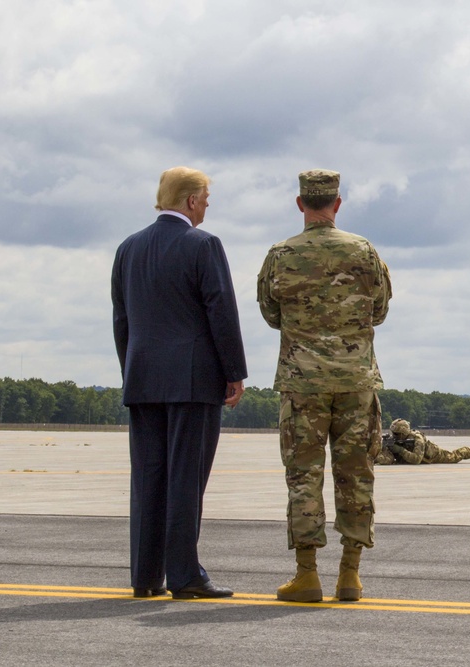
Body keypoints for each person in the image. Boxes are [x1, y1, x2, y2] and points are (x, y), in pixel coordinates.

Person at [111, 166, 248, 600]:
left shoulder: (127, 248)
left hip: (143, 377)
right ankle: (185, 575)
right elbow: (220, 310)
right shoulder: (203, 244)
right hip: (193, 380)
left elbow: (122, 321)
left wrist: (132, 369)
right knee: (185, 479)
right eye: (206, 197)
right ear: (190, 200)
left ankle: (145, 575)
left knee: (148, 479)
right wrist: (234, 372)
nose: (208, 204)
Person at [257, 169, 391, 603]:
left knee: (303, 478)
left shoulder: (281, 255)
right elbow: (381, 309)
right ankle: (350, 576)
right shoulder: (364, 252)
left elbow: (271, 314)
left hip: (303, 385)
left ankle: (307, 575)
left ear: (300, 204)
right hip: (355, 382)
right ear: (337, 203)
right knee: (356, 476)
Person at [377, 419, 470, 465]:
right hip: (422, 459)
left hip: (434, 455)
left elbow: (416, 460)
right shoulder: (395, 440)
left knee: (454, 457)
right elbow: (388, 460)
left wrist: (400, 450)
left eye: (396, 434)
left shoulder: (417, 439)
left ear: (404, 432)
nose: (394, 436)